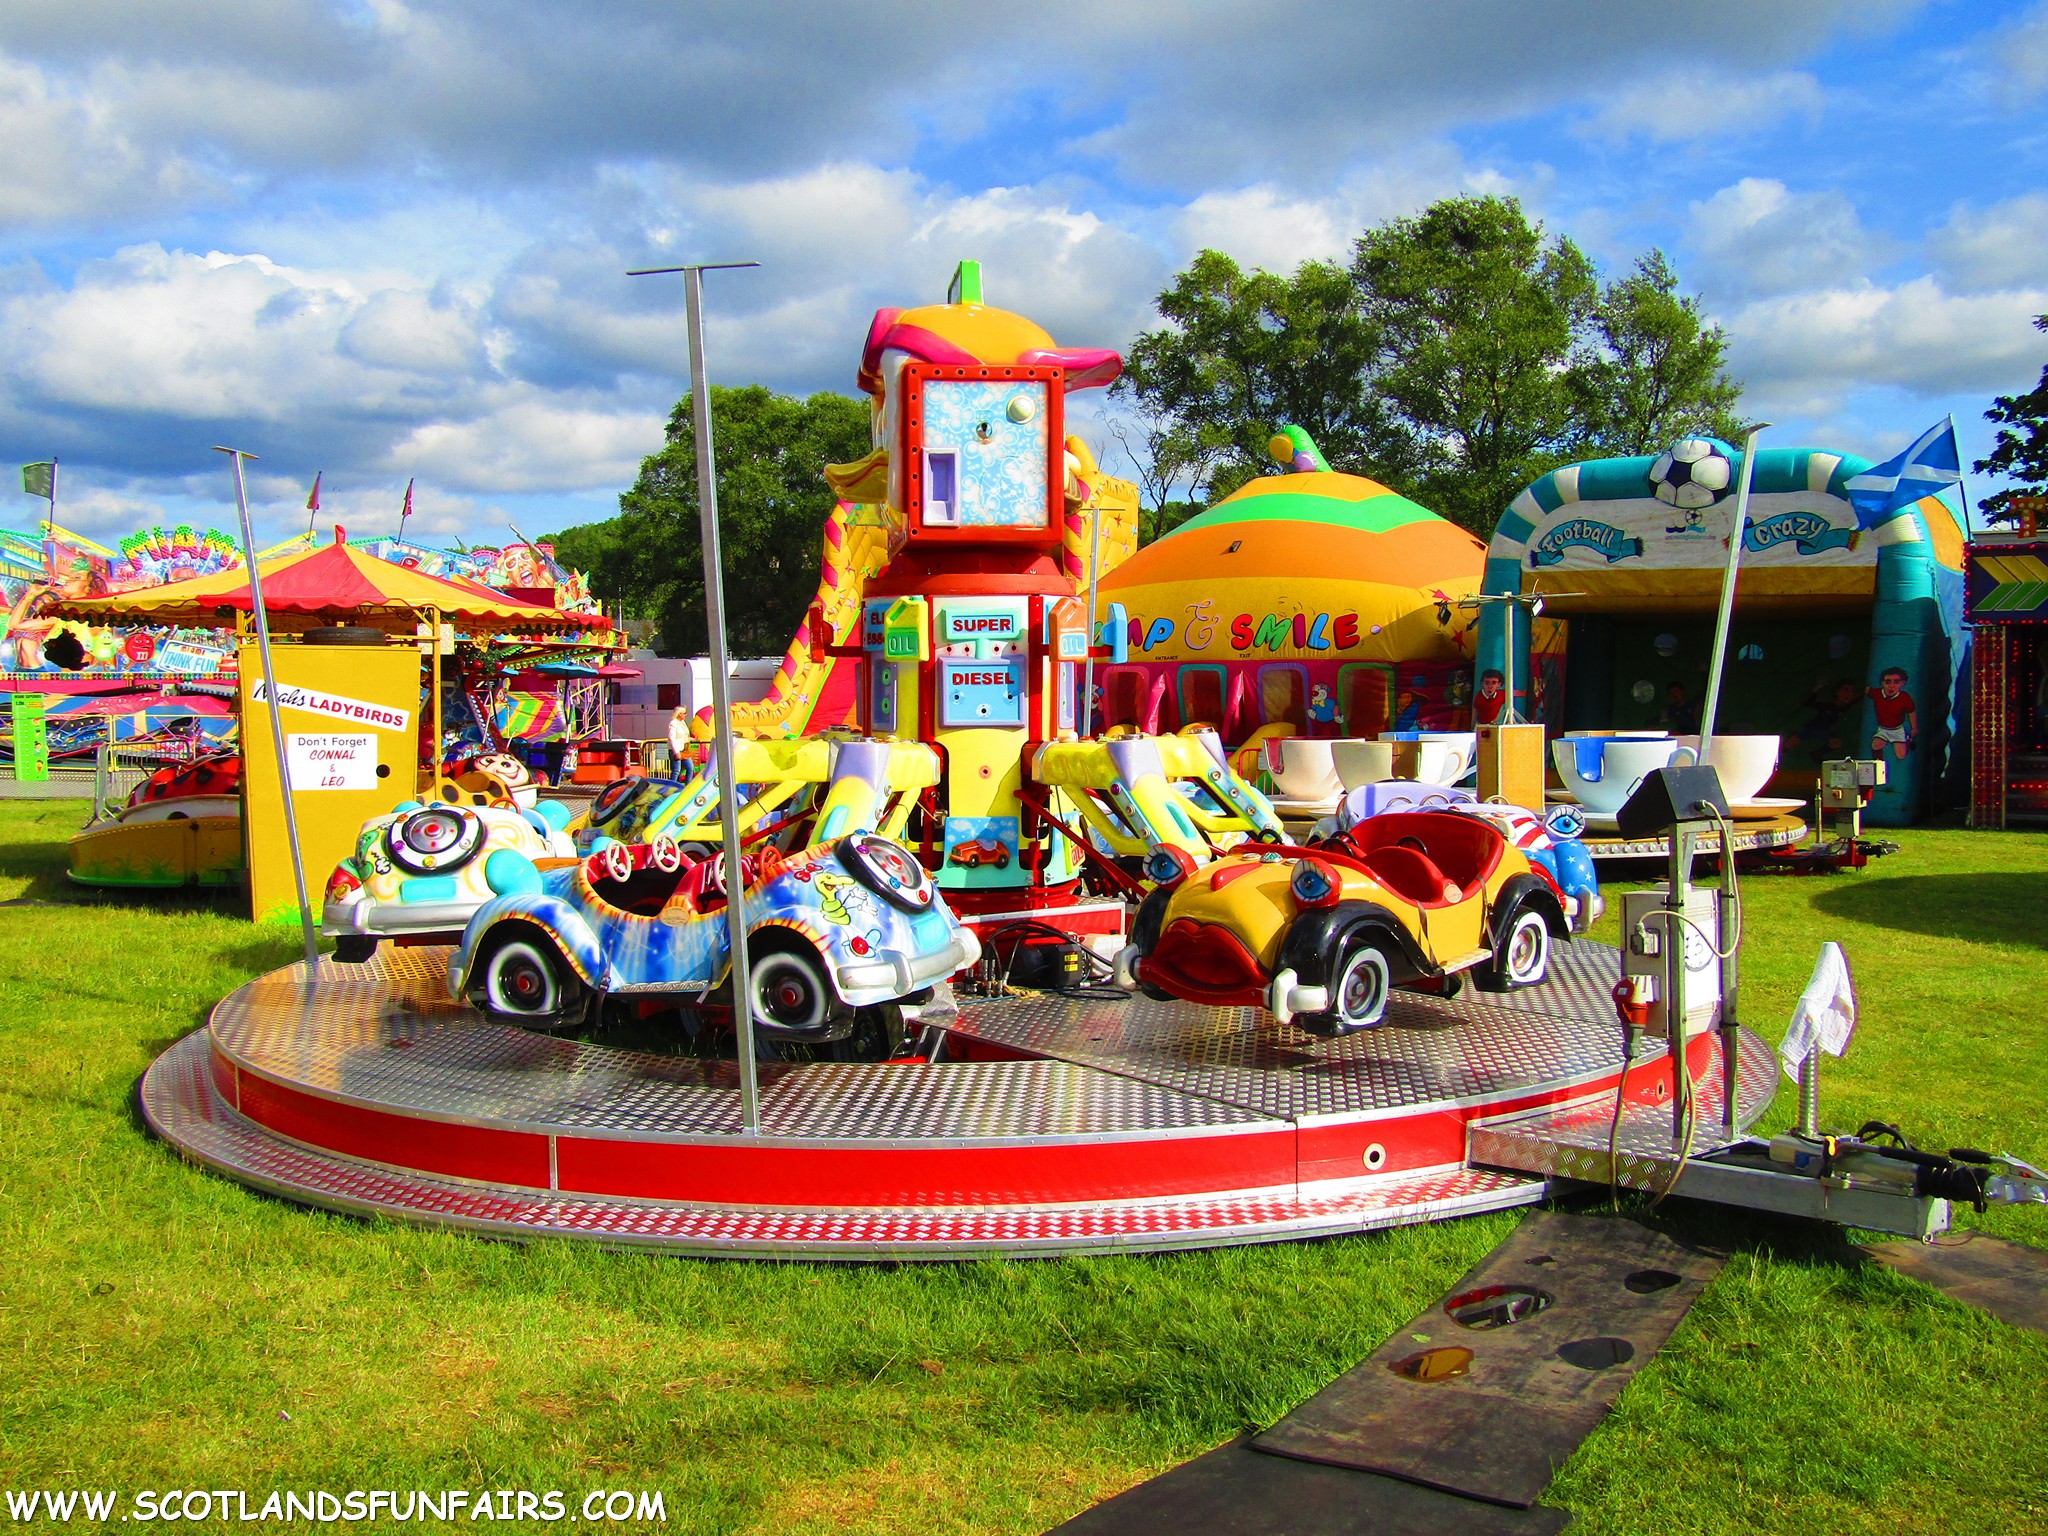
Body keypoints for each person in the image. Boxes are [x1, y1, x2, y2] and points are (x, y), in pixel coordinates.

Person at [1868, 667, 1916, 759]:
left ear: (1902, 683)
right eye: (1888, 682)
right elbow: (1867, 690)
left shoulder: (1904, 697)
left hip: (1897, 729)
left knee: (1901, 756)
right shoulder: (1877, 693)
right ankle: (1879, 765)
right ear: (1882, 683)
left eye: (1896, 682)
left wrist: (1914, 729)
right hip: (1883, 729)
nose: (1891, 685)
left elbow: (1911, 712)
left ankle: (1907, 740)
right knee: (1876, 745)